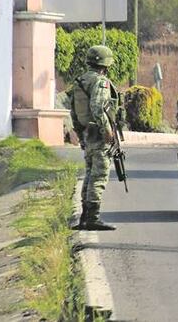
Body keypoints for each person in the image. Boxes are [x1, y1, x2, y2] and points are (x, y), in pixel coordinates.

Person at [69, 45, 119, 231]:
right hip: (98, 135)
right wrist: (107, 131)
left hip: (87, 133)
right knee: (99, 176)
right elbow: (98, 107)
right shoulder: (100, 82)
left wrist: (80, 134)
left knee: (89, 175)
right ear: (105, 65)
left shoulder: (80, 81)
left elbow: (74, 111)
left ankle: (85, 218)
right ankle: (92, 218)